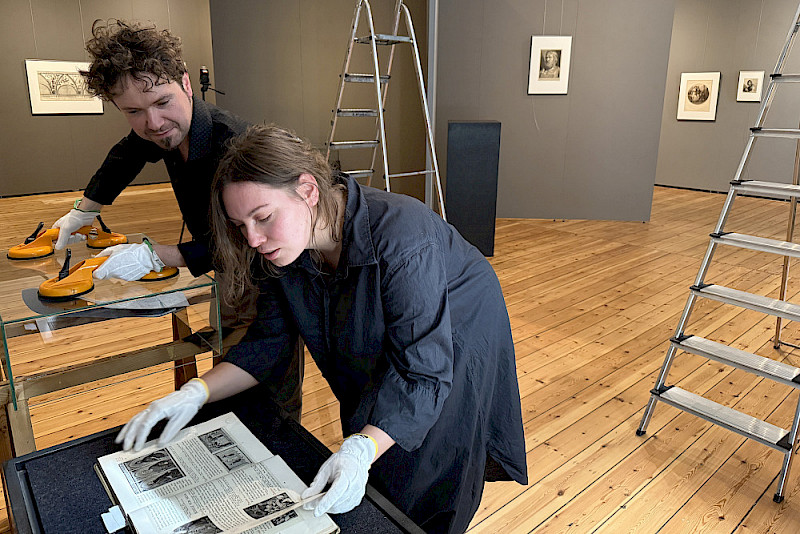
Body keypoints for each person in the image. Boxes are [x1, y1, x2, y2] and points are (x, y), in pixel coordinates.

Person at [116, 124, 528, 533]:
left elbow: (424, 373)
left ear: (308, 191)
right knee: (371, 435)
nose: (253, 239)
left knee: (428, 469)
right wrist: (196, 392)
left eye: (263, 217)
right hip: (410, 332)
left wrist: (363, 448)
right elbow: (269, 342)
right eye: (241, 225)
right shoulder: (284, 248)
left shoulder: (404, 236)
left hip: (458, 325)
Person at [49, 19, 303, 420]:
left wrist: (158, 255)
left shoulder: (231, 144)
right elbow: (126, 155)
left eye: (162, 102)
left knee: (267, 391)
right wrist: (86, 209)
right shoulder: (166, 132)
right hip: (226, 271)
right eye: (134, 111)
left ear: (185, 83)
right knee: (230, 368)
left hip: (267, 275)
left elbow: (248, 241)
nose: (152, 123)